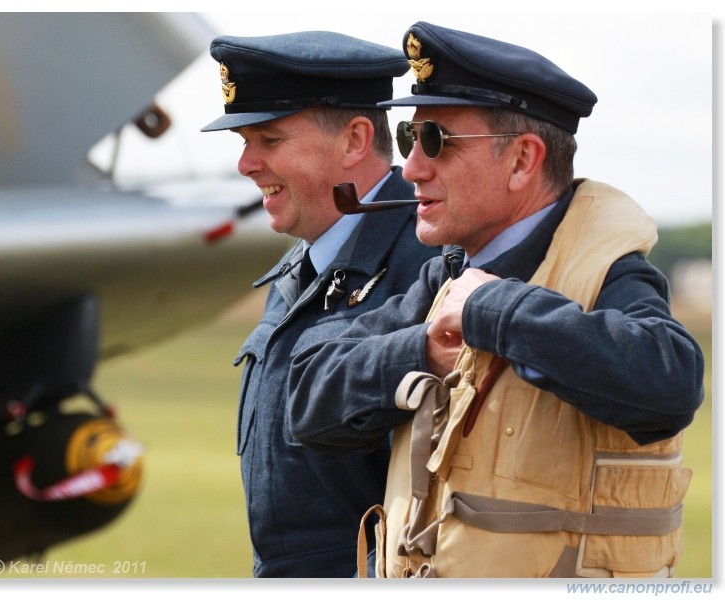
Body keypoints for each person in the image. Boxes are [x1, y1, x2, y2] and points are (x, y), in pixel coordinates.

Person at [288, 22, 705, 578]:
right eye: (411, 142)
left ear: (521, 161)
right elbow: (306, 401)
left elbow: (672, 382)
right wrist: (423, 352)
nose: (410, 167)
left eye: (435, 141)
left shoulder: (610, 272)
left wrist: (497, 311)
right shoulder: (448, 276)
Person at [200, 30, 442, 578]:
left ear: (356, 140)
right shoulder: (303, 265)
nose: (245, 163)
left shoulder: (431, 263)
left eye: (268, 139)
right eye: (243, 141)